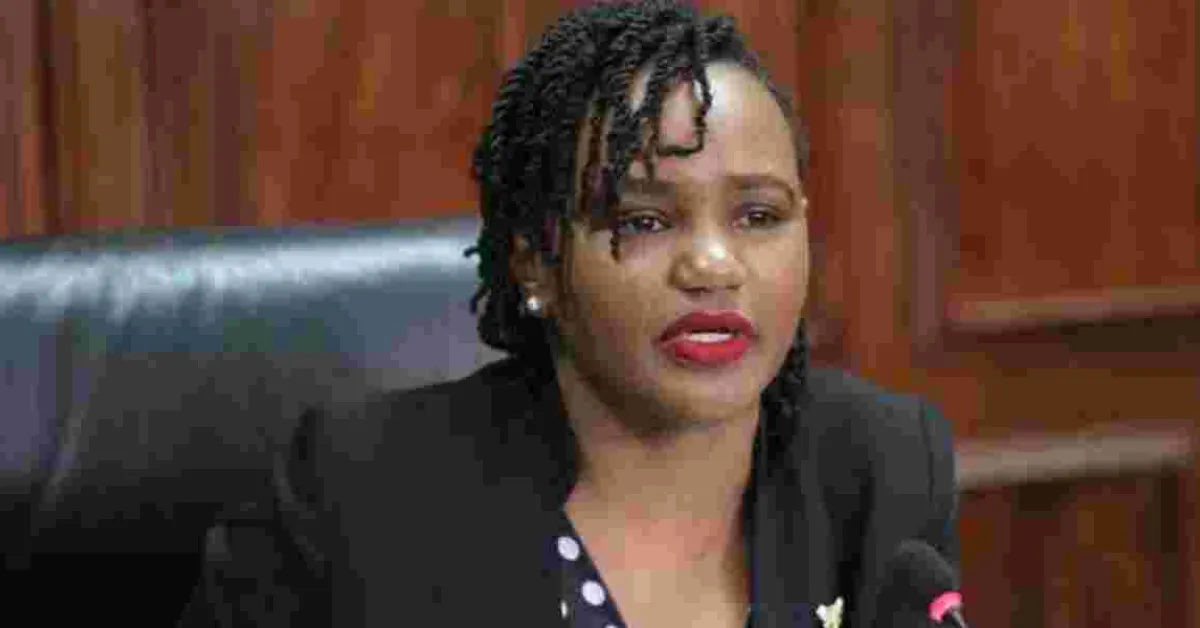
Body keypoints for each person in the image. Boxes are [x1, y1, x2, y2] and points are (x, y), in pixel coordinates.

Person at [179, 1, 958, 627]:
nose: (714, 264)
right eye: (644, 220)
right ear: (535, 262)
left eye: (759, 216)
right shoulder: (359, 493)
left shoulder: (879, 463)